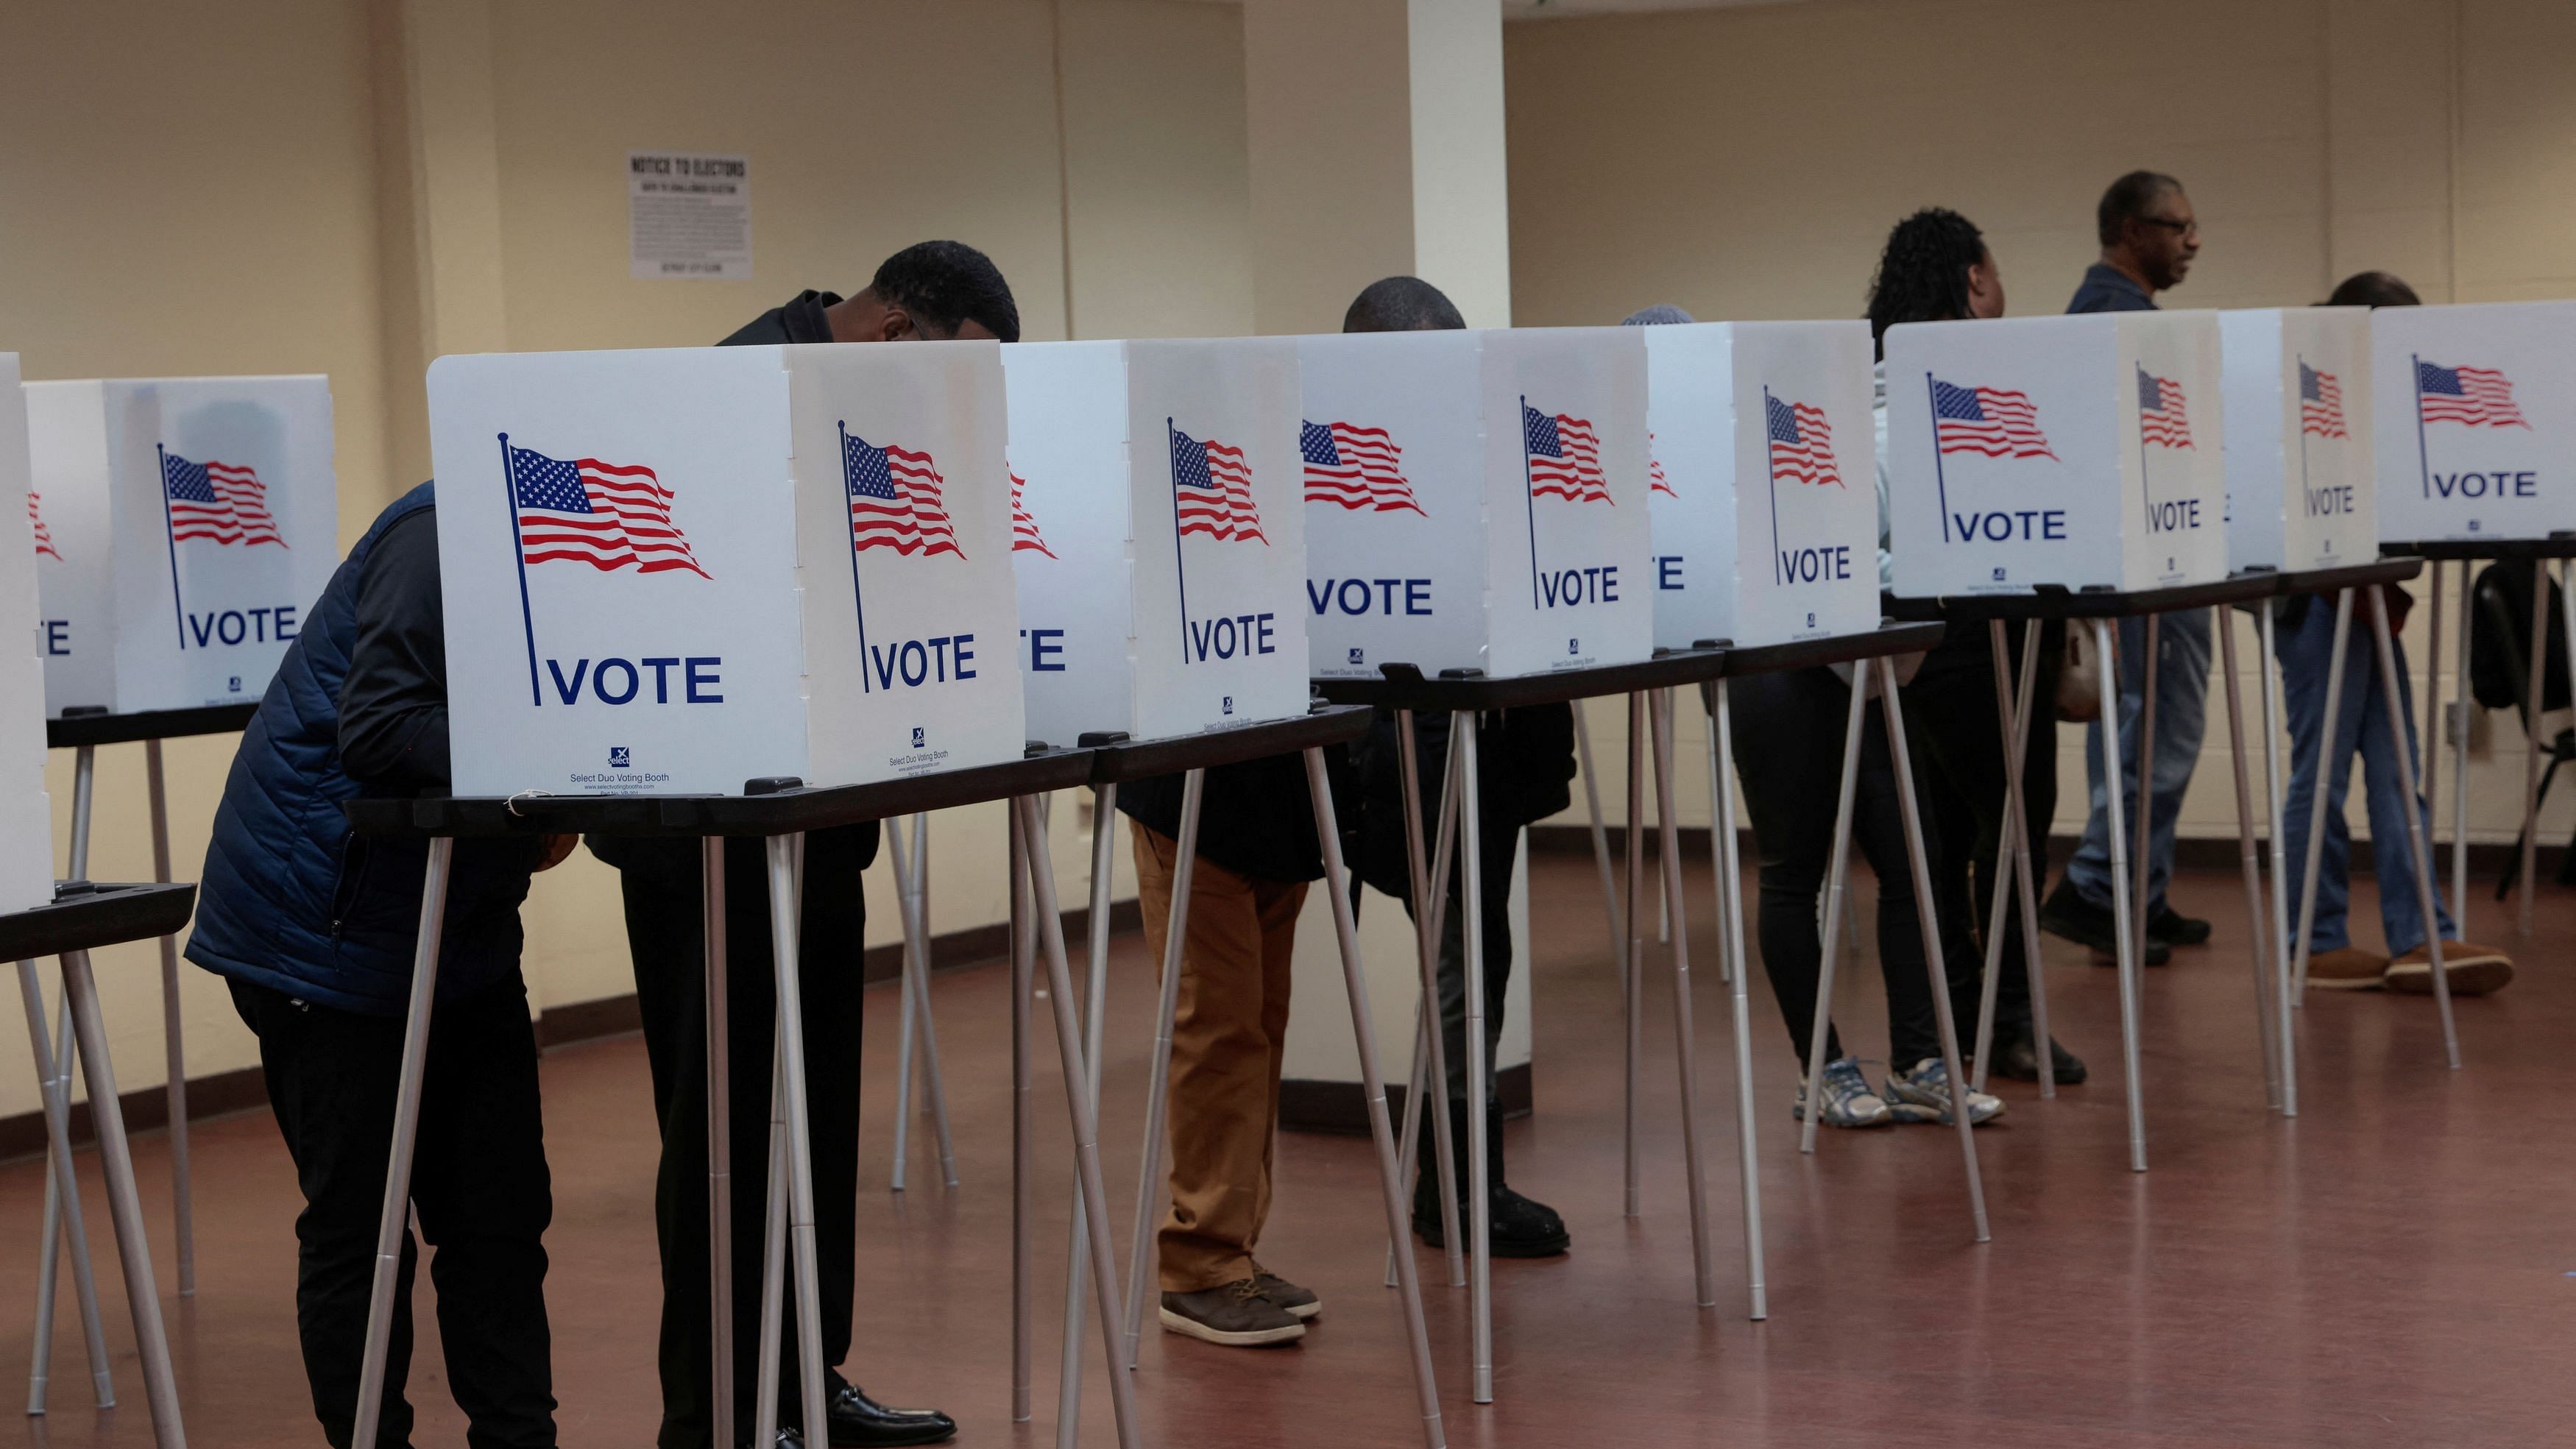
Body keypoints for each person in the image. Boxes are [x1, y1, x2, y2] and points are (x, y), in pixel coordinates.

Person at [590, 241, 1019, 1449]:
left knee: (817, 1112)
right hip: (706, 839)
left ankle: (803, 1378)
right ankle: (718, 1410)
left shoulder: (853, 404)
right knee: (725, 1130)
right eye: (950, 373)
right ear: (893, 333)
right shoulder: (734, 390)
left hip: (824, 822)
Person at [187, 481, 568, 1447]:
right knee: (362, 1226)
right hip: (322, 927)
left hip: (460, 923)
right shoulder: (442, 530)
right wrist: (557, 760)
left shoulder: (590, 548)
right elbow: (382, 727)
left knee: (500, 1215)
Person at [1340, 276, 1579, 1255]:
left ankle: (1460, 1185)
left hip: (1479, 740)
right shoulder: (1355, 463)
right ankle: (1462, 1189)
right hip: (1413, 745)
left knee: (1478, 955)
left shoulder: (1455, 453)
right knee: (1462, 962)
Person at [1868, 208, 2091, 1088]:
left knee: (1936, 833)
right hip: (1990, 630)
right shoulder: (1985, 380)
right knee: (2013, 828)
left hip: (1909, 636)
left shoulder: (1872, 370)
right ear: (1972, 280)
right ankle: (2009, 1021)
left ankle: (1963, 1014)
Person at [2277, 270, 2513, 995]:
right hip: (2319, 604)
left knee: (2393, 771)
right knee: (2319, 776)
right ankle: (2311, 941)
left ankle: (2421, 936)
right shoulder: (2308, 388)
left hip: (2366, 601)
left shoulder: (2363, 393)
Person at [2043, 170, 2214, 966]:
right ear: (2126, 230)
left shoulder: (2112, 316)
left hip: (2139, 558)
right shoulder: (2118, 322)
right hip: (2148, 563)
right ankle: (2098, 887)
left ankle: (2133, 888)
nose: (2191, 240)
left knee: (2140, 729)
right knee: (2157, 732)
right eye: (2174, 226)